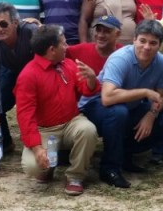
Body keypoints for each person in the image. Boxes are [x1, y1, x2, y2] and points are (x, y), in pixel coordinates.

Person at [79, 19, 163, 188]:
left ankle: (124, 153)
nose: (146, 47)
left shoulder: (162, 62)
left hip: (130, 106)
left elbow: (161, 96)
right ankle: (109, 168)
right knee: (119, 112)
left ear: (160, 45)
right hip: (95, 106)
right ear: (134, 40)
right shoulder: (120, 58)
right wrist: (145, 92)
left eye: (153, 43)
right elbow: (107, 97)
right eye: (142, 41)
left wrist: (151, 115)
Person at [15, 25, 100, 196]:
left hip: (71, 122)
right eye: (63, 43)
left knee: (88, 130)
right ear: (52, 50)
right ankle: (47, 168)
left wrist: (91, 78)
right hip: (44, 130)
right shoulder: (28, 75)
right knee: (33, 166)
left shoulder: (68, 64)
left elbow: (86, 89)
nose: (67, 46)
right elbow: (25, 116)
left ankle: (75, 176)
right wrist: (37, 149)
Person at [0, 2, 37, 157]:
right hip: (13, 73)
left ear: (15, 23)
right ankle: (4, 142)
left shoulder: (31, 31)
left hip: (37, 74)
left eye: (3, 24)